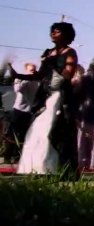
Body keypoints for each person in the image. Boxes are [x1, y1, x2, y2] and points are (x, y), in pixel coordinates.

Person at [11, 22, 79, 177]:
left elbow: (68, 74)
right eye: (52, 32)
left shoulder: (70, 53)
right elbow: (40, 75)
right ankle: (38, 167)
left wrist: (54, 64)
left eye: (57, 31)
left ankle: (58, 169)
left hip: (60, 95)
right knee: (37, 129)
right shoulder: (48, 52)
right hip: (44, 95)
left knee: (54, 131)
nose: (53, 34)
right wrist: (18, 75)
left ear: (66, 34)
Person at [3, 63, 39, 163]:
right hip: (18, 109)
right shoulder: (20, 79)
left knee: (23, 135)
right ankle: (7, 156)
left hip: (29, 111)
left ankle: (17, 157)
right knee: (12, 134)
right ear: (26, 70)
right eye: (30, 70)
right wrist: (24, 80)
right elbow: (17, 89)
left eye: (34, 69)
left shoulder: (36, 81)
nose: (32, 71)